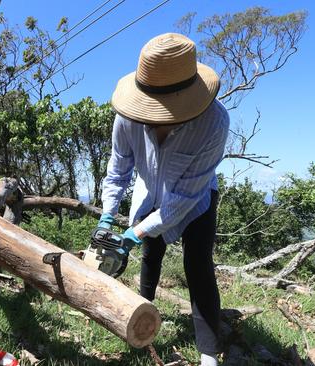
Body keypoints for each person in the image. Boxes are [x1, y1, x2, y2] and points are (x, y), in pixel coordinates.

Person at [97, 33, 229, 366]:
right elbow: (118, 172)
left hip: (195, 198)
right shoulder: (126, 118)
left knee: (198, 266)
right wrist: (107, 217)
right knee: (150, 255)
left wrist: (135, 233)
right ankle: (141, 315)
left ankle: (209, 354)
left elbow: (184, 197)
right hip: (148, 193)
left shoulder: (213, 122)